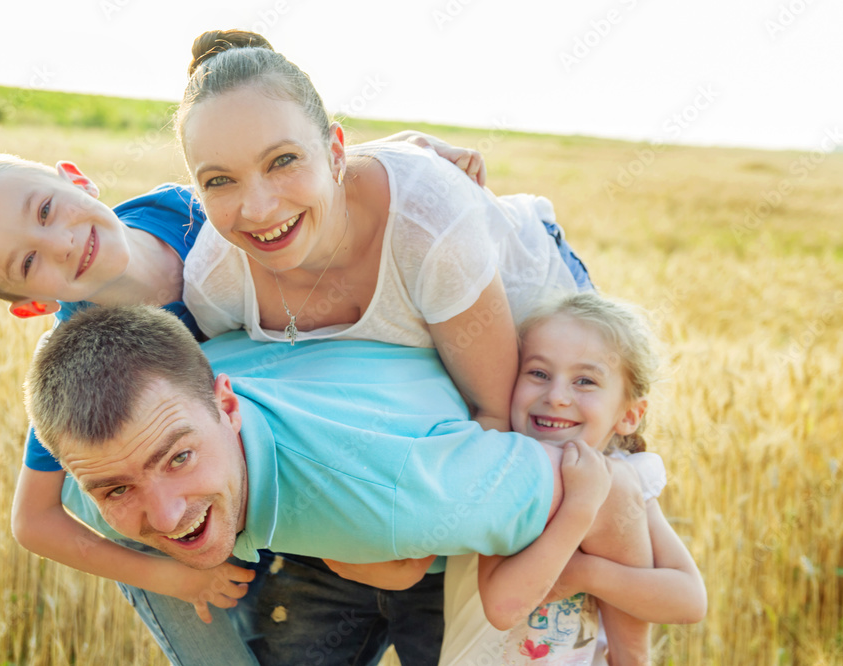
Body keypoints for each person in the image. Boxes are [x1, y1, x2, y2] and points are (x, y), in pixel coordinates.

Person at [0, 133, 487, 666]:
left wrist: (404, 158)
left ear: (75, 178)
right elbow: (33, 519)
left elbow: (291, 172)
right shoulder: (90, 363)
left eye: (45, 210)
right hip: (275, 507)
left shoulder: (190, 211)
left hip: (366, 430)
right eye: (28, 263)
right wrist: (182, 579)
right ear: (31, 304)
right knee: (102, 478)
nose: (61, 242)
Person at [23, 304, 658, 663]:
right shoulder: (103, 458)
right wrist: (172, 572)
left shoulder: (392, 495)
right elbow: (41, 518)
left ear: (228, 403)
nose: (163, 515)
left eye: (179, 458)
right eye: (116, 491)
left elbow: (615, 493)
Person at [179, 30, 593, 438]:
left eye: (282, 160)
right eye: (219, 181)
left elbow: (494, 419)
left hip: (551, 316)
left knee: (593, 470)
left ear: (336, 153)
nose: (259, 209)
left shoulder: (429, 229)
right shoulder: (215, 282)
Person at [440, 292, 707, 666]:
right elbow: (504, 606)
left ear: (629, 414)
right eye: (538, 373)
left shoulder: (625, 480)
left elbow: (689, 600)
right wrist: (580, 508)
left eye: (585, 381)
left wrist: (587, 573)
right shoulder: (505, 472)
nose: (557, 396)